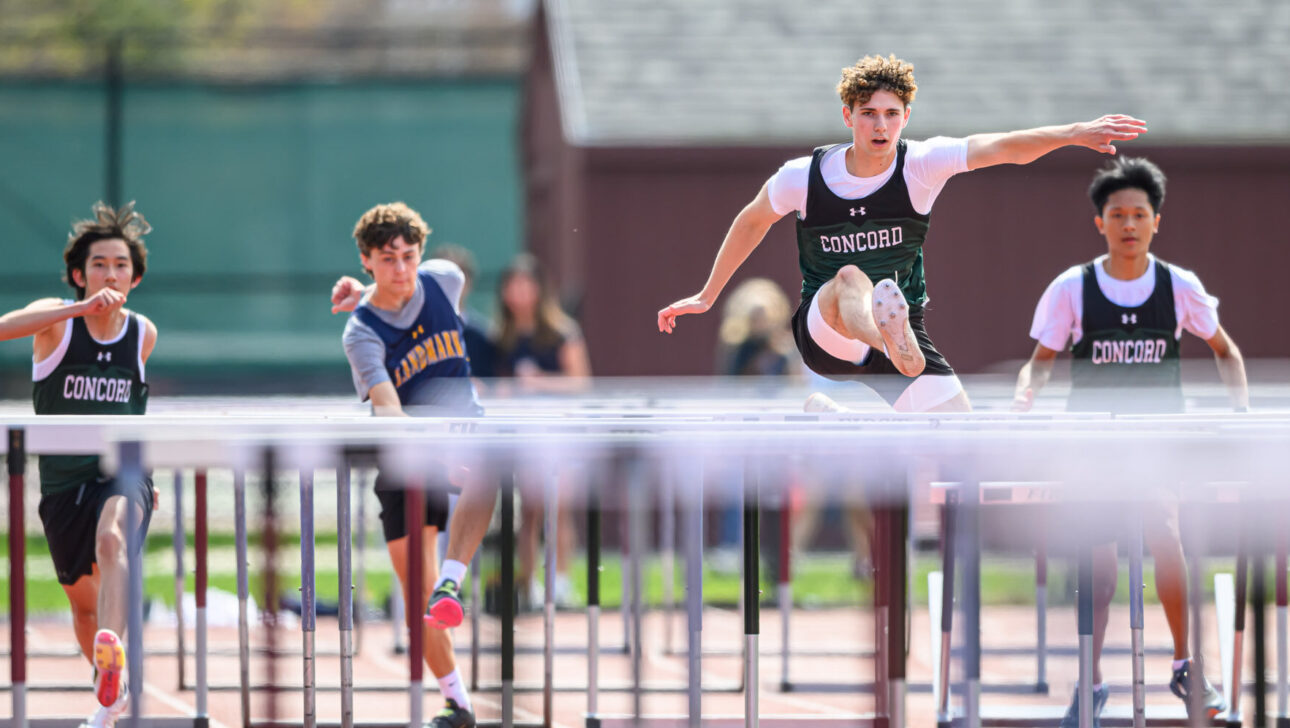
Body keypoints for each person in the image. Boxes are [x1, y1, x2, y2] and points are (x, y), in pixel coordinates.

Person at [657, 54, 1148, 414]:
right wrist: (706, 295)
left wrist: (1071, 132)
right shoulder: (801, 176)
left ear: (906, 119)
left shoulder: (921, 165)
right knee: (850, 276)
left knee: (956, 440)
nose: (881, 125)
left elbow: (999, 147)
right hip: (827, 331)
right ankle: (890, 342)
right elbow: (752, 220)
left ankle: (844, 420)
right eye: (869, 113)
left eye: (892, 114)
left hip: (903, 332)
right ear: (848, 116)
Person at [1012, 157, 1247, 726]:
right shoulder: (1072, 288)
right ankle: (1090, 680)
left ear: (1155, 221)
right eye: (1117, 214)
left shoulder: (1178, 286)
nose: (1128, 224)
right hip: (1092, 442)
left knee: (1164, 530)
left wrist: (1241, 418)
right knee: (1097, 559)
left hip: (1157, 440)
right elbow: (1039, 364)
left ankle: (1187, 663)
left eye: (1139, 214)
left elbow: (1227, 352)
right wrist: (1025, 398)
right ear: (1100, 222)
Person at [331, 202, 493, 728]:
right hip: (405, 450)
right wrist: (365, 298)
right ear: (366, 260)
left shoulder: (445, 279)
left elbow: (410, 291)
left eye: (408, 256)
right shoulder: (361, 334)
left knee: (489, 465)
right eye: (387, 259)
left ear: (422, 255)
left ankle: (454, 578)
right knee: (413, 595)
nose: (401, 269)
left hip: (463, 429)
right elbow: (388, 411)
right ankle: (458, 701)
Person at [0, 202, 157, 728]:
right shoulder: (56, 324)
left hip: (122, 471)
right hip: (63, 484)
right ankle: (111, 691)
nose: (109, 273)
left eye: (119, 265)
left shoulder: (142, 334)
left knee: (112, 540)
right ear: (78, 274)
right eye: (98, 265)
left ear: (133, 278)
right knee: (82, 605)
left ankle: (113, 646)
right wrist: (77, 310)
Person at [491, 253, 592, 607]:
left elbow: (580, 383)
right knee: (530, 511)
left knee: (559, 509)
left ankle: (561, 583)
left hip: (559, 432)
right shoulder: (499, 336)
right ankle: (530, 585)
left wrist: (539, 383)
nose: (519, 293)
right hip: (520, 434)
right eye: (512, 286)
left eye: (525, 285)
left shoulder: (562, 332)